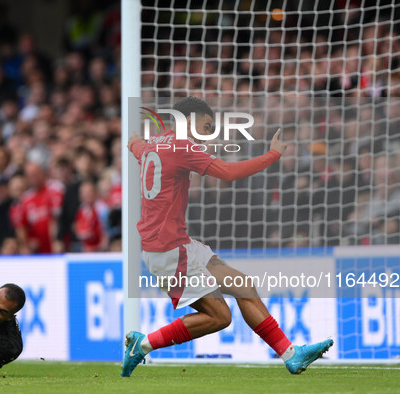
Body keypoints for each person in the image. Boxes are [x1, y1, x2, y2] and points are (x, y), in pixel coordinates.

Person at [121, 97, 333, 377]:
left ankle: (290, 354)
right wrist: (272, 155)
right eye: (206, 125)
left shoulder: (152, 145)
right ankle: (143, 344)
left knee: (244, 286)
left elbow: (135, 147)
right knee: (220, 317)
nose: (207, 133)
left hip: (178, 245)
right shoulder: (182, 146)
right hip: (169, 251)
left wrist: (134, 140)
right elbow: (228, 173)